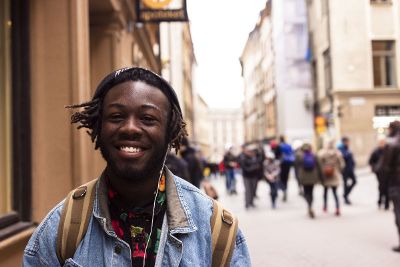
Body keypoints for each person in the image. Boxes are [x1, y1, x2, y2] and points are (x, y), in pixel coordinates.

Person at [22, 67, 250, 266]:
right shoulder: (62, 229)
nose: (130, 128)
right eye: (117, 116)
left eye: (148, 118)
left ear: (170, 132)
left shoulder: (216, 231)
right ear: (98, 127)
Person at [378, 120, 400, 253]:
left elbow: (385, 168)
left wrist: (383, 186)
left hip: (396, 183)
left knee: (398, 212)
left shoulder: (392, 144)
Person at [318, 140, 344, 216]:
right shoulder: (337, 153)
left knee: (325, 192)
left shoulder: (322, 153)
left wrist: (323, 170)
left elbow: (319, 163)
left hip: (325, 175)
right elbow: (342, 164)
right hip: (334, 174)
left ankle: (325, 206)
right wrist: (338, 170)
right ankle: (337, 208)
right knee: (335, 193)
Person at [295, 143, 321, 218]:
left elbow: (296, 168)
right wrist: (321, 178)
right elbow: (319, 167)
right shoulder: (314, 155)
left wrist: (298, 179)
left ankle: (309, 205)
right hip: (313, 177)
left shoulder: (299, 156)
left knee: (306, 192)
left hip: (303, 177)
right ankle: (310, 206)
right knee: (311, 192)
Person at [239, 145, 263, 209]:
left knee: (253, 189)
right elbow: (245, 168)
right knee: (248, 190)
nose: (250, 153)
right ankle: (247, 203)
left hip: (254, 176)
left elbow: (260, 163)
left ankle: (251, 202)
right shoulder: (243, 158)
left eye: (251, 152)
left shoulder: (255, 158)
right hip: (246, 176)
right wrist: (254, 167)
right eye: (249, 151)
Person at [368, 138, 389, 209]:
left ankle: (387, 204)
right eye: (381, 143)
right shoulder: (376, 151)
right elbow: (371, 161)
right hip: (379, 172)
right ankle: (380, 201)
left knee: (387, 188)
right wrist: (375, 168)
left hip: (387, 172)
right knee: (381, 187)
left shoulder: (388, 150)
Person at [338, 136, 357, 204]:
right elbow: (343, 157)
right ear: (344, 142)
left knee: (354, 181)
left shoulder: (347, 148)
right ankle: (346, 197)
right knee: (345, 184)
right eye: (347, 141)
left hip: (350, 169)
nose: (349, 143)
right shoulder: (341, 149)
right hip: (344, 169)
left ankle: (345, 194)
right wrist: (348, 153)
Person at [277, 136, 295, 201]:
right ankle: (285, 190)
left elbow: (277, 155)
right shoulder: (288, 145)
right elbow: (292, 153)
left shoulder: (279, 146)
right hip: (288, 163)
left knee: (281, 178)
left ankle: (283, 190)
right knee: (286, 178)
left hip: (282, 164)